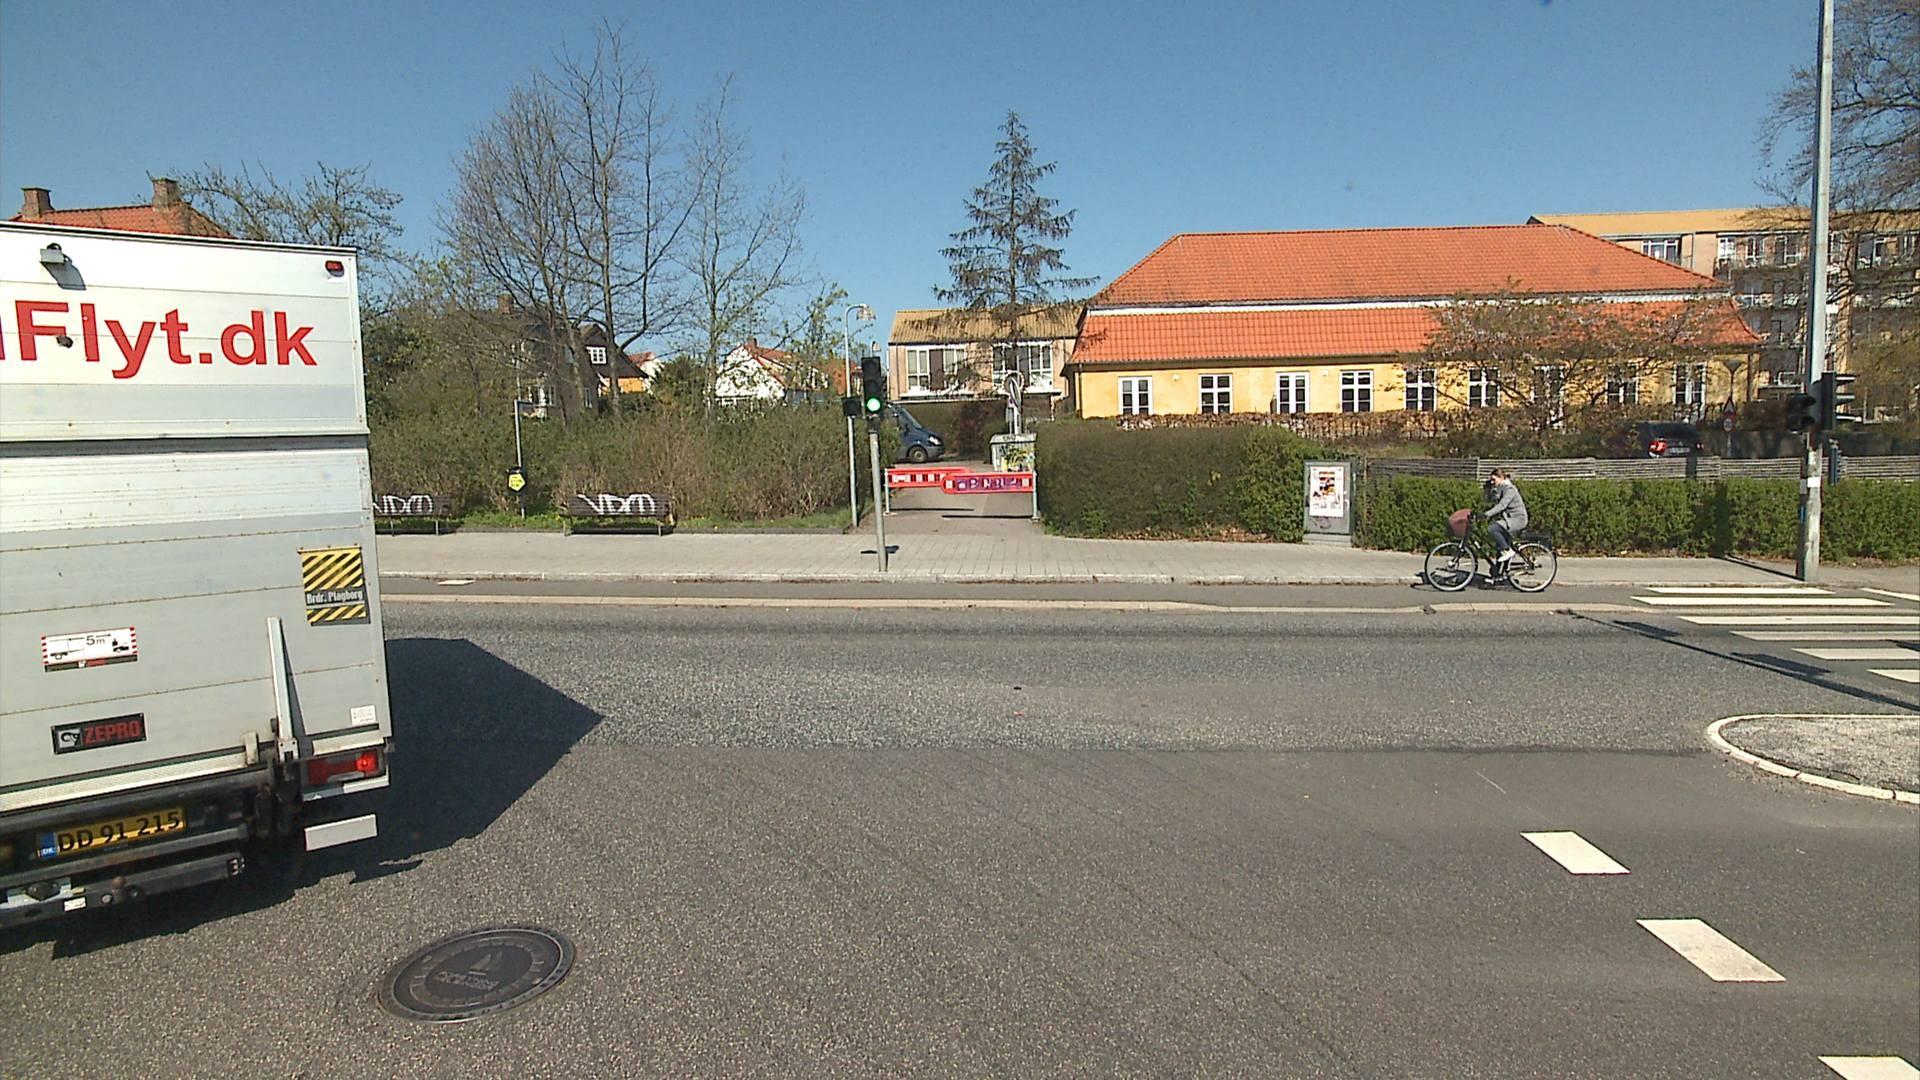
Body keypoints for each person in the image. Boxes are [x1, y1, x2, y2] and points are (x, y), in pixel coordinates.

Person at [1483, 468, 1528, 566]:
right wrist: (1488, 490)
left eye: (1494, 480)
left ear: (1501, 478)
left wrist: (1487, 514)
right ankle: (1500, 572)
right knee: (1499, 546)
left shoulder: (1510, 489)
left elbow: (1502, 505)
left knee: (1493, 528)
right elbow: (1491, 501)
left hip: (1518, 519)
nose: (1492, 482)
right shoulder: (1500, 489)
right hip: (1509, 519)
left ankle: (1507, 550)